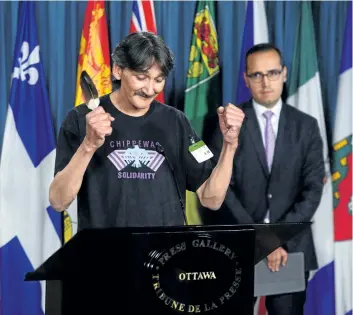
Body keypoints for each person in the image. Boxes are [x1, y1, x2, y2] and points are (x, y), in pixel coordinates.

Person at [49, 32, 244, 230]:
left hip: (165, 256)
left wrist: (230, 145)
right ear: (118, 70)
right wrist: (88, 146)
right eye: (141, 77)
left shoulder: (176, 122)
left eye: (159, 80)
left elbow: (212, 199)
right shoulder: (80, 120)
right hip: (103, 255)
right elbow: (58, 201)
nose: (150, 90)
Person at [205, 43, 325, 315]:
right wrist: (262, 239)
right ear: (246, 79)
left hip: (291, 249)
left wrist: (280, 239)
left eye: (272, 73)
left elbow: (313, 188)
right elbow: (221, 189)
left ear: (284, 73)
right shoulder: (226, 125)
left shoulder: (306, 125)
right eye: (256, 75)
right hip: (240, 248)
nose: (265, 81)